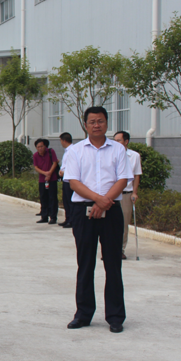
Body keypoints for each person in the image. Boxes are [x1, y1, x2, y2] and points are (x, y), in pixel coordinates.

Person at [63, 107, 133, 336]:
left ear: (106, 123)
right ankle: (83, 314)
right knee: (85, 263)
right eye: (92, 121)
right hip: (83, 211)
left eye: (100, 121)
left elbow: (123, 179)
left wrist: (103, 203)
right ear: (85, 125)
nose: (96, 125)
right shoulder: (75, 151)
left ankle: (115, 316)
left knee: (113, 263)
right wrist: (97, 200)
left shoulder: (118, 149)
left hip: (111, 211)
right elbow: (74, 182)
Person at [113, 131, 142, 260]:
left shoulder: (134, 156)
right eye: (114, 140)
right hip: (112, 193)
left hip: (126, 194)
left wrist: (134, 192)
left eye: (118, 140)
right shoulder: (110, 154)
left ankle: (120, 249)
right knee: (109, 224)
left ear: (126, 142)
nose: (116, 143)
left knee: (123, 223)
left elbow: (136, 175)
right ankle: (108, 249)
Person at [33, 138, 59, 225]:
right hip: (42, 179)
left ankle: (53, 217)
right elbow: (36, 167)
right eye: (38, 147)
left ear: (45, 146)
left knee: (52, 198)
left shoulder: (51, 152)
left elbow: (55, 163)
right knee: (43, 197)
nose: (40, 148)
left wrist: (49, 173)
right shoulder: (35, 155)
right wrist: (45, 173)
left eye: (41, 146)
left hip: (52, 179)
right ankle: (44, 216)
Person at [58, 133, 75, 228]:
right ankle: (67, 218)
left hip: (70, 179)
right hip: (65, 179)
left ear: (64, 140)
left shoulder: (72, 150)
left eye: (61, 141)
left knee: (70, 201)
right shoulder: (67, 151)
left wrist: (64, 172)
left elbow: (72, 165)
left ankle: (71, 220)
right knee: (65, 201)